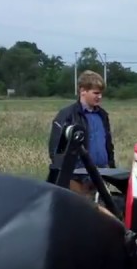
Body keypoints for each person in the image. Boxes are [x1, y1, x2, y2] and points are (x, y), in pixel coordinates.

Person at [47, 70, 116, 199]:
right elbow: (56, 150)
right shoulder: (67, 115)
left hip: (101, 175)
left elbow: (108, 145)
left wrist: (111, 168)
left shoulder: (102, 115)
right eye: (96, 93)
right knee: (81, 208)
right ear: (83, 91)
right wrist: (68, 175)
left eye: (101, 93)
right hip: (76, 177)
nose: (100, 97)